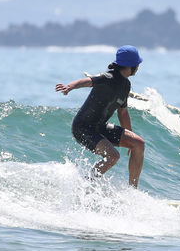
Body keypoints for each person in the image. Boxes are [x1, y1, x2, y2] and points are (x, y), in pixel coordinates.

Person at [55, 45, 146, 187]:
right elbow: (87, 81)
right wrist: (70, 86)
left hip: (99, 127)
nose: (138, 67)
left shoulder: (126, 85)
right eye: (137, 65)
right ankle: (86, 185)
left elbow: (123, 112)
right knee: (113, 156)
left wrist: (130, 138)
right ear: (131, 66)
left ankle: (133, 191)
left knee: (139, 144)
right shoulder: (108, 77)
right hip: (83, 128)